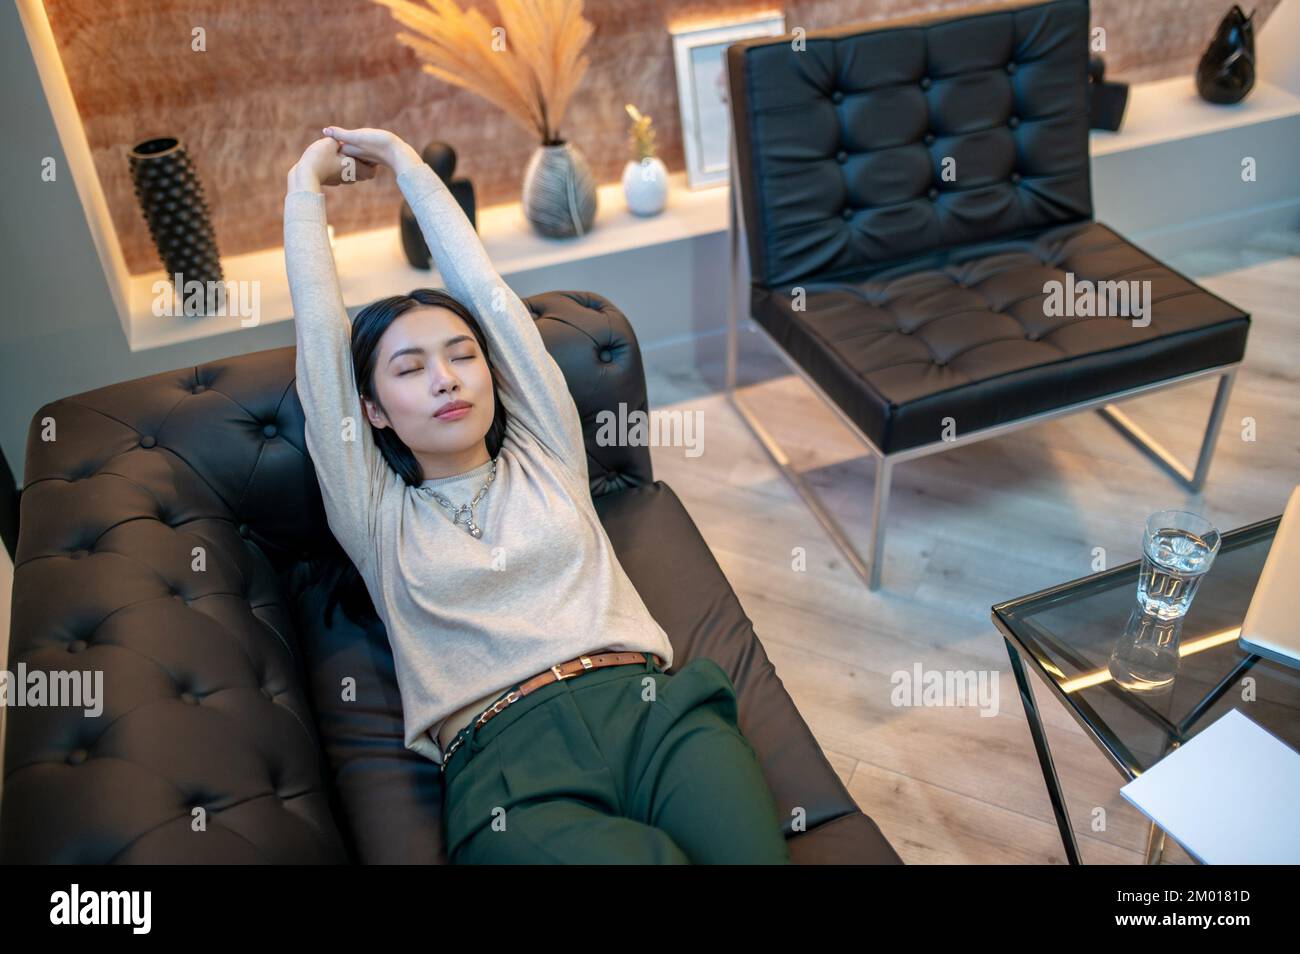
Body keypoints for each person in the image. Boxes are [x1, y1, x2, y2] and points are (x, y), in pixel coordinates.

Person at [284, 126, 790, 864]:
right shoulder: (376, 515)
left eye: (461, 357)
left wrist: (408, 163)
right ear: (373, 411)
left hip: (653, 713)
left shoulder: (546, 453)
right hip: (509, 768)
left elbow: (489, 299)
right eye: (410, 368)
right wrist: (305, 190)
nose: (446, 378)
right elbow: (321, 347)